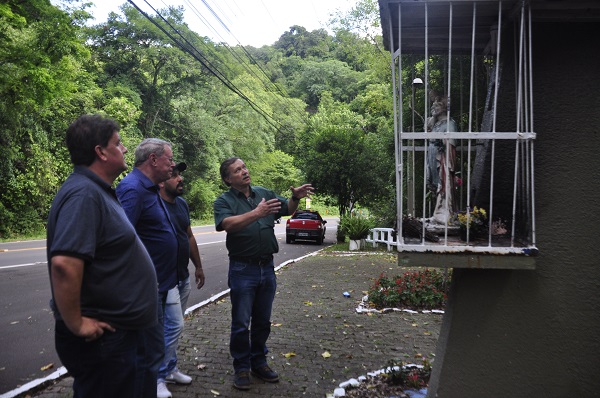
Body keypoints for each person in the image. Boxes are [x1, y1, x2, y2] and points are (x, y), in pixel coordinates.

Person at [46, 114, 158, 398]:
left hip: (120, 338)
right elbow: (64, 265)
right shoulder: (84, 195)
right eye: (118, 143)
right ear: (100, 152)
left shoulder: (96, 191)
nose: (123, 149)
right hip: (106, 341)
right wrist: (77, 324)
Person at [213, 157, 314, 390]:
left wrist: (296, 197)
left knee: (262, 322)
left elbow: (288, 209)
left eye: (245, 167)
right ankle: (241, 367)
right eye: (237, 170)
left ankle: (259, 362)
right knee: (240, 323)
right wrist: (257, 213)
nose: (244, 172)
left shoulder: (264, 192)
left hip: (267, 267)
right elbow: (227, 224)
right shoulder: (224, 201)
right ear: (228, 179)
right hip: (242, 269)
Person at [116, 138, 178, 398]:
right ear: (153, 159)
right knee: (144, 355)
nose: (173, 165)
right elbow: (119, 241)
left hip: (159, 286)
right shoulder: (133, 189)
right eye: (170, 159)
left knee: (153, 352)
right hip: (143, 292)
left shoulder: (151, 188)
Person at [158, 162, 205, 388]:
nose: (180, 179)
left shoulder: (182, 204)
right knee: (172, 326)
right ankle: (157, 377)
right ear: (161, 181)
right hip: (162, 279)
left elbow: (189, 236)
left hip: (182, 276)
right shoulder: (154, 205)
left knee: (172, 329)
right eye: (174, 175)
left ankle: (170, 368)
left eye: (180, 175)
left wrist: (198, 266)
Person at [426, 93, 457, 225]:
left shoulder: (450, 123)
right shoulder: (435, 123)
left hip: (442, 157)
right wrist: (433, 118)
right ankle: (437, 213)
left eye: (437, 105)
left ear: (444, 107)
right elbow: (427, 130)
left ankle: (444, 214)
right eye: (433, 105)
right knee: (435, 184)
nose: (434, 107)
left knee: (443, 184)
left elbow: (450, 144)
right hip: (432, 154)